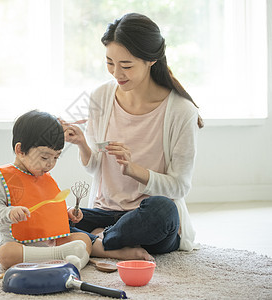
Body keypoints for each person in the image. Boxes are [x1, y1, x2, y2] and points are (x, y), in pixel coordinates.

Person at [61, 13, 203, 262]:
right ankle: (111, 243)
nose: (117, 73)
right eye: (109, 63)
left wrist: (133, 170)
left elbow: (180, 186)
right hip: (104, 211)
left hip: (147, 218)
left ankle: (97, 240)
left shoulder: (182, 111)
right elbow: (96, 167)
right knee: (51, 215)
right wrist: (82, 143)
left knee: (163, 210)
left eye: (126, 65)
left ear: (151, 60)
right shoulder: (99, 96)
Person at [0, 110, 92, 270]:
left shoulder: (44, 176)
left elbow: (51, 205)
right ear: (20, 150)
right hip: (21, 246)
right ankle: (60, 257)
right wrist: (9, 212)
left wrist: (68, 211)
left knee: (84, 239)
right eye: (44, 157)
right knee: (5, 254)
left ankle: (74, 263)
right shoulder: (5, 178)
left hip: (52, 241)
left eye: (56, 157)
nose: (50, 164)